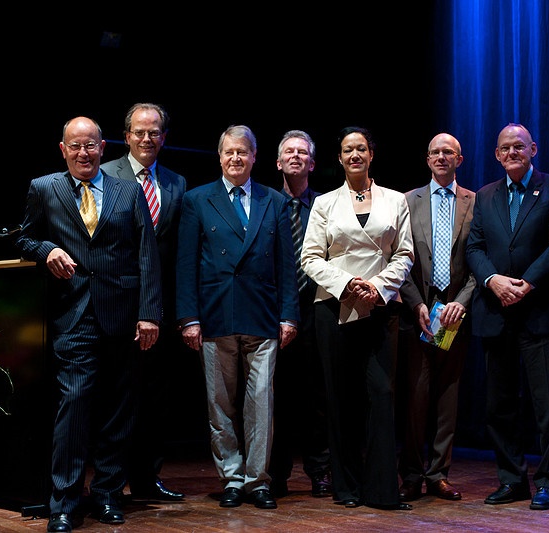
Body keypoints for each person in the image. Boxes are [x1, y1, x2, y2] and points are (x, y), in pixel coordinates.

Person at [15, 116, 162, 532]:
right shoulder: (44, 188)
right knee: (74, 407)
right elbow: (24, 238)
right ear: (63, 150)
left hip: (123, 316)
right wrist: (47, 250)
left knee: (118, 413)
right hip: (73, 314)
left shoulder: (128, 190)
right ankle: (63, 502)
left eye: (91, 145)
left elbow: (147, 254)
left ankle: (108, 496)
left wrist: (149, 313)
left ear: (103, 147)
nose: (84, 153)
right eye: (76, 146)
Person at [175, 124, 300, 510]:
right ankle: (231, 477)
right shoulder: (197, 199)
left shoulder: (273, 201)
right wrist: (188, 318)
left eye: (242, 152)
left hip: (263, 315)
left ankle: (257, 480)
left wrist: (289, 316)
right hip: (215, 315)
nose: (235, 158)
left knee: (261, 403)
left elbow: (286, 265)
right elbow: (186, 264)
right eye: (229, 152)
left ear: (254, 157)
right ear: (219, 157)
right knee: (220, 404)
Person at [465, 122, 549, 511]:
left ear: (533, 149)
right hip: (497, 313)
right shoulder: (485, 195)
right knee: (499, 406)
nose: (511, 152)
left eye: (519, 146)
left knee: (548, 406)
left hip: (542, 313)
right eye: (504, 148)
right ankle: (512, 480)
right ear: (496, 155)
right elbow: (475, 247)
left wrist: (526, 283)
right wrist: (493, 280)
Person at [301, 126, 414, 511]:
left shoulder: (395, 200)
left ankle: (382, 490)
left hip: (380, 307)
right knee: (340, 397)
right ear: (339, 158)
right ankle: (346, 487)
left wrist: (377, 287)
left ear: (371, 154)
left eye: (361, 148)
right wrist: (347, 284)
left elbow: (404, 253)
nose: (354, 155)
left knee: (381, 394)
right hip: (335, 307)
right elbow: (310, 257)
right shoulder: (325, 203)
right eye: (348, 150)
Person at [100, 102, 189, 503]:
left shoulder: (176, 183)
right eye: (140, 132)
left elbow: (176, 250)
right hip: (115, 303)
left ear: (163, 138)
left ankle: (147, 479)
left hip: (160, 305)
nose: (147, 138)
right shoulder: (105, 175)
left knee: (156, 396)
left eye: (154, 132)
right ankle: (110, 480)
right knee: (116, 397)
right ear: (127, 136)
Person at [397, 133, 476, 502]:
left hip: (454, 313)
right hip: (419, 311)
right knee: (416, 396)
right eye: (435, 152)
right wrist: (415, 303)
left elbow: (480, 259)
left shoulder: (476, 202)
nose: (441, 157)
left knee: (448, 396)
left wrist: (462, 301)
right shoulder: (406, 201)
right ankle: (411, 474)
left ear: (459, 159)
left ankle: (438, 474)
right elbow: (398, 258)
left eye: (448, 152)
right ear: (427, 159)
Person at [268, 130, 332, 499]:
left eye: (302, 152)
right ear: (278, 162)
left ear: (312, 163)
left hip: (317, 309)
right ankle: (276, 472)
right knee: (277, 397)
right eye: (289, 151)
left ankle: (320, 470)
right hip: (273, 312)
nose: (295, 156)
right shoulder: (265, 202)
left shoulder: (326, 205)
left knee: (317, 396)